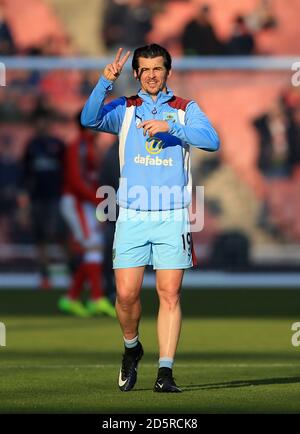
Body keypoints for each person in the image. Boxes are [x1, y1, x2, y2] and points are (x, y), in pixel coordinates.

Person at [81, 44, 219, 392]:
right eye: (145, 69)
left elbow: (212, 140)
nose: (152, 74)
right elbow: (89, 119)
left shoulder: (185, 109)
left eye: (158, 68)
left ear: (167, 72)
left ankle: (165, 372)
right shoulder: (126, 109)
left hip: (172, 215)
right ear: (137, 74)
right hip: (131, 213)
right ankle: (132, 347)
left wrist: (172, 127)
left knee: (169, 293)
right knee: (126, 296)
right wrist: (104, 82)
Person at [58, 115, 116, 318]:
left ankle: (72, 298)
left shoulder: (90, 146)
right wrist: (97, 200)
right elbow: (75, 181)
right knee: (94, 245)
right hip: (77, 202)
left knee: (94, 249)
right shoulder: (77, 147)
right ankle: (97, 299)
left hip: (85, 203)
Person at [17, 109, 66, 290]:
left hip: (56, 197)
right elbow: (24, 175)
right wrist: (23, 201)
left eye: (44, 121)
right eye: (39, 121)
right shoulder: (31, 146)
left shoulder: (58, 145)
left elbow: (67, 172)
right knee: (41, 239)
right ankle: (45, 275)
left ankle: (71, 270)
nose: (41, 124)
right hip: (37, 198)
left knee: (58, 234)